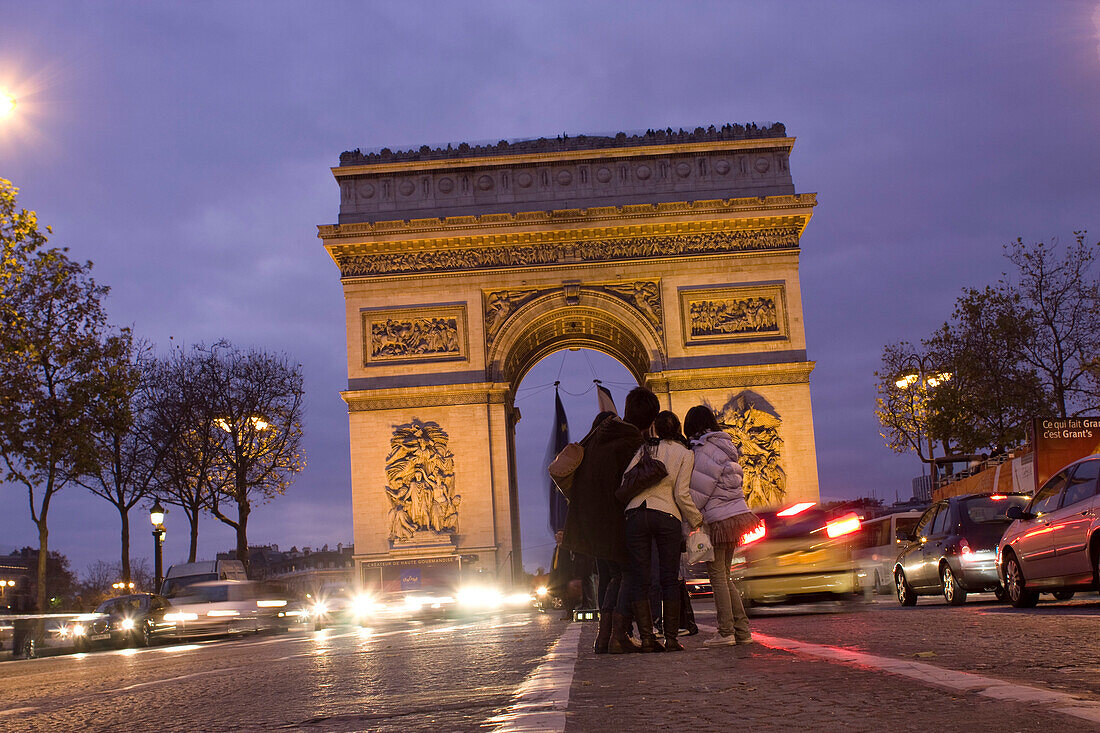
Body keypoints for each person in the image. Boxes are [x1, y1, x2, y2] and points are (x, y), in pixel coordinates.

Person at [560, 394, 651, 655]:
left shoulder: (592, 441)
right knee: (628, 573)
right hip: (614, 517)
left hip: (588, 521)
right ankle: (619, 635)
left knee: (611, 577)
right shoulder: (630, 438)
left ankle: (604, 635)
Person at [621, 409, 703, 652]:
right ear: (678, 429)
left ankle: (646, 638)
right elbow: (681, 493)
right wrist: (696, 519)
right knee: (669, 578)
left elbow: (627, 478)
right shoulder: (685, 453)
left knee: (641, 578)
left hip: (636, 513)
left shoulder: (644, 449)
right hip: (667, 515)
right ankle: (671, 638)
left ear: (655, 427)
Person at [684, 404, 757, 646]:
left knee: (717, 577)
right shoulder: (726, 446)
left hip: (719, 520)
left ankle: (726, 631)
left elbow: (698, 495)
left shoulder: (703, 451)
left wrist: (687, 514)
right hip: (737, 516)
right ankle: (742, 631)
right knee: (725, 576)